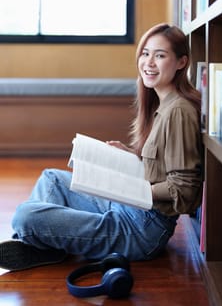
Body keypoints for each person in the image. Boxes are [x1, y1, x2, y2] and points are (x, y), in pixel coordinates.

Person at [0, 23, 203, 271]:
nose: (149, 62)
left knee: (25, 217)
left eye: (160, 55)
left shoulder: (178, 111)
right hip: (129, 208)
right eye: (145, 53)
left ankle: (43, 245)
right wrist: (130, 156)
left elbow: (185, 190)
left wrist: (130, 188)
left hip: (143, 230)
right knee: (51, 179)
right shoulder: (162, 105)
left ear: (181, 62)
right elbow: (162, 166)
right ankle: (49, 246)